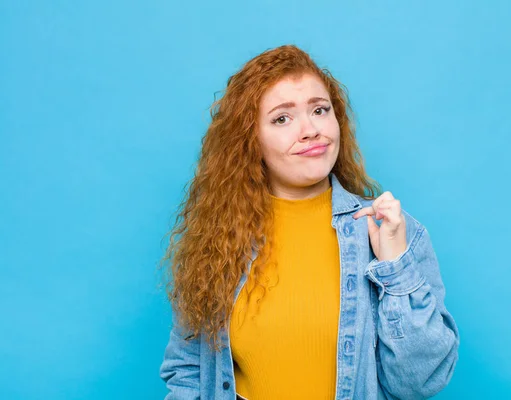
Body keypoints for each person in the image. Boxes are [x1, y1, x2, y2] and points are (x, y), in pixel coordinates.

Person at [158, 44, 460, 400]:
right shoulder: (219, 240)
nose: (310, 130)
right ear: (249, 141)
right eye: (282, 118)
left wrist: (394, 266)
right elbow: (188, 370)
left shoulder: (389, 230)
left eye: (319, 110)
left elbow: (419, 381)